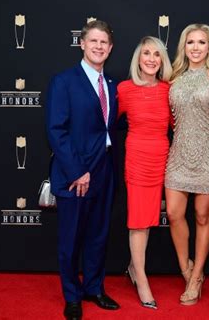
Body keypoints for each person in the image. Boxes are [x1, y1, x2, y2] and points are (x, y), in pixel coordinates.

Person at [45, 20, 120, 320]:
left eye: (104, 42)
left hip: (104, 170)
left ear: (110, 48)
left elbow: (111, 126)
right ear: (82, 44)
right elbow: (56, 130)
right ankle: (72, 295)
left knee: (98, 234)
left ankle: (93, 288)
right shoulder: (63, 81)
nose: (99, 46)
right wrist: (77, 171)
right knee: (71, 238)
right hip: (75, 172)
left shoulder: (111, 84)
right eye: (93, 41)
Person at [165, 23, 209, 305]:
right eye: (191, 42)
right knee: (175, 214)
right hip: (178, 154)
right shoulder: (173, 77)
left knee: (203, 216)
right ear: (183, 46)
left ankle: (197, 275)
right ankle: (184, 268)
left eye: (202, 42)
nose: (196, 47)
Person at [117, 36, 172, 309]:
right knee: (139, 220)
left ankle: (131, 266)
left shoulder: (168, 90)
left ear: (162, 60)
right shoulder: (124, 89)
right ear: (138, 58)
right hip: (137, 159)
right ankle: (141, 277)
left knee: (151, 217)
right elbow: (102, 121)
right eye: (146, 53)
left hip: (164, 160)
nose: (151, 59)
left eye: (157, 54)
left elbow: (183, 123)